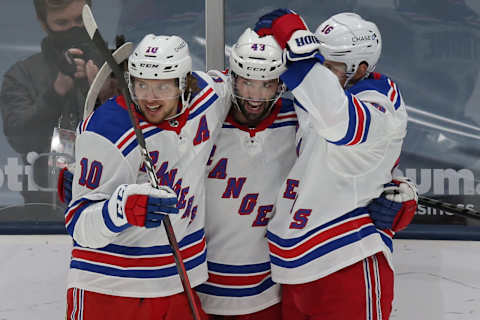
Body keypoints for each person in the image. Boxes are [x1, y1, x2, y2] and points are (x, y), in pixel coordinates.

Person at [253, 9, 416, 319]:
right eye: (319, 66)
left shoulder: (380, 101)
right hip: (291, 267)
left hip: (347, 258)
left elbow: (337, 121)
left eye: (330, 67)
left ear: (361, 68)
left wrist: (299, 51)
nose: (321, 74)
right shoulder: (316, 95)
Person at [63, 33, 230, 319]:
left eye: (162, 87)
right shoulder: (105, 131)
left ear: (184, 84)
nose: (150, 98)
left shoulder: (209, 96)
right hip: (110, 290)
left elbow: (241, 80)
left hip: (178, 283)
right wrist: (120, 209)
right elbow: (78, 224)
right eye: (141, 84)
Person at [195, 29, 297, 319]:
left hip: (269, 292)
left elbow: (348, 161)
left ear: (279, 84)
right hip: (199, 288)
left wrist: (393, 186)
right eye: (247, 82)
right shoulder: (203, 119)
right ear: (233, 77)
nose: (255, 95)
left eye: (266, 84)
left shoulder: (299, 121)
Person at [0, 0, 112, 216]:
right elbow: (19, 138)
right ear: (43, 23)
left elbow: (146, 132)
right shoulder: (22, 75)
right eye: (62, 23)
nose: (73, 28)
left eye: (80, 20)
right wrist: (57, 92)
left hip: (111, 201)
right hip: (44, 208)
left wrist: (106, 93)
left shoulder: (116, 67)